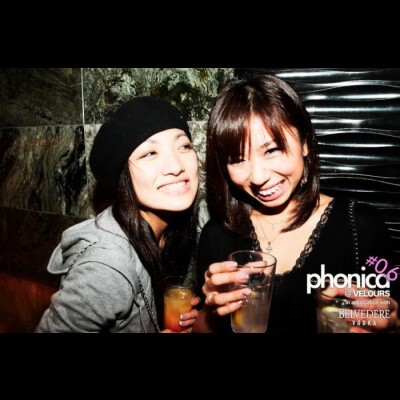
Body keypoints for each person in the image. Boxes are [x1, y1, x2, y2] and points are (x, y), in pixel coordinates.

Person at [193, 74, 400, 333]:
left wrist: (393, 322)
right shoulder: (217, 235)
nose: (258, 177)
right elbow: (199, 327)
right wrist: (212, 309)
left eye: (271, 150)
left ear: (304, 143)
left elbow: (389, 306)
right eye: (238, 159)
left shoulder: (361, 227)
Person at [36, 97, 200, 333]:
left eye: (183, 146)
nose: (175, 166)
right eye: (150, 153)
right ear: (122, 175)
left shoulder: (170, 232)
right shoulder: (107, 265)